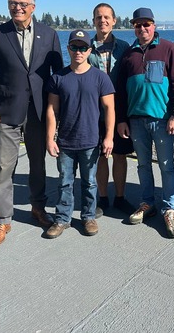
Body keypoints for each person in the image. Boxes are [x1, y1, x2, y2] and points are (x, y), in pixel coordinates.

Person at [0, 0, 63, 246]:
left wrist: (56, 110)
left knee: (38, 164)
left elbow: (58, 75)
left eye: (22, 4)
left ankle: (38, 208)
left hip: (39, 112)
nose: (17, 7)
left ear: (33, 7)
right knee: (4, 168)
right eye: (12, 3)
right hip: (6, 111)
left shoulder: (49, 35)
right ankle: (3, 220)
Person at [115, 7, 174, 238]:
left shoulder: (168, 48)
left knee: (167, 166)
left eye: (146, 24)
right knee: (143, 165)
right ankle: (147, 203)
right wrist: (122, 119)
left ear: (153, 26)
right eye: (138, 25)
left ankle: (169, 208)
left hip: (163, 120)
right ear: (133, 27)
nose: (142, 28)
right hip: (136, 121)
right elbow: (121, 92)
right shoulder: (128, 54)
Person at [45, 30, 115, 238]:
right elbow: (52, 110)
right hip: (66, 141)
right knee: (65, 182)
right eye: (74, 47)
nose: (78, 51)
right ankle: (62, 219)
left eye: (83, 47)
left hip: (90, 141)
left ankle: (88, 216)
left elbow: (110, 108)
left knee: (90, 182)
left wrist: (109, 137)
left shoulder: (100, 78)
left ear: (89, 50)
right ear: (68, 49)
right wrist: (50, 138)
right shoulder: (58, 78)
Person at [88, 3, 135, 215]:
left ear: (114, 20)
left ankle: (120, 197)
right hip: (94, 112)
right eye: (99, 17)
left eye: (107, 17)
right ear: (93, 21)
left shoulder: (125, 47)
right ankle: (103, 197)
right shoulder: (86, 48)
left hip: (120, 111)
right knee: (100, 155)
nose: (103, 21)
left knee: (119, 154)